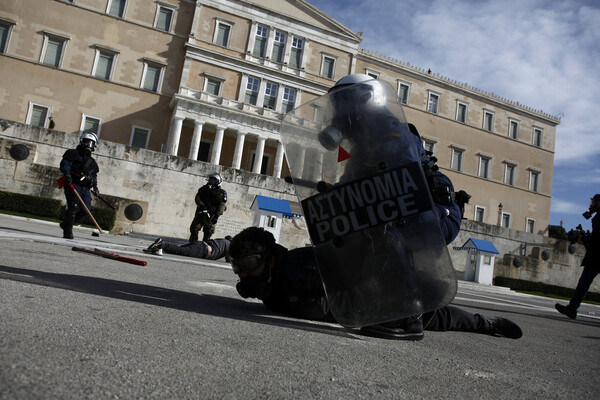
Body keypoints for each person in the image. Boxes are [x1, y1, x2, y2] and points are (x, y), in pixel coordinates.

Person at [229, 226, 522, 341]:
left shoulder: (296, 268)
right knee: (438, 316)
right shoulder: (271, 281)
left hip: (374, 298)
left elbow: (350, 266)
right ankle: (483, 323)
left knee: (437, 315)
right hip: (364, 306)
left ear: (268, 258)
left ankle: (487, 324)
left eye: (248, 266)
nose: (244, 274)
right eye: (238, 268)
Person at [555, 194, 600, 319]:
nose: (592, 205)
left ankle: (572, 308)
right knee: (583, 283)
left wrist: (584, 239)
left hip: (596, 257)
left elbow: (597, 240)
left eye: (594, 202)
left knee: (584, 283)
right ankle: (572, 308)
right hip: (595, 256)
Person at [59, 132, 100, 239]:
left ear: (94, 145)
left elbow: (94, 175)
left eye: (90, 143)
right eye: (86, 142)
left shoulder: (93, 162)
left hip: (85, 188)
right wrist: (67, 175)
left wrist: (95, 187)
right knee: (73, 206)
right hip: (73, 183)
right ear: (82, 142)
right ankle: (68, 232)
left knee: (86, 210)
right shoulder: (73, 153)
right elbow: (65, 164)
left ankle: (66, 224)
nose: (87, 145)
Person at [189, 173, 227, 243]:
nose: (211, 181)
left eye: (213, 180)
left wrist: (216, 216)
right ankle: (192, 244)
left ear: (218, 182)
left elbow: (222, 205)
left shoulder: (221, 193)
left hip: (211, 215)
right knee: (194, 229)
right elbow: (197, 198)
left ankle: (205, 246)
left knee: (208, 231)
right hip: (200, 213)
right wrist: (202, 206)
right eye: (210, 180)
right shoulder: (203, 189)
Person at [143, 236, 232, 262]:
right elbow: (229, 259)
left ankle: (157, 247)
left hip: (200, 245)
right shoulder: (230, 245)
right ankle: (162, 244)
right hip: (202, 251)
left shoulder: (223, 240)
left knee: (178, 249)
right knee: (180, 251)